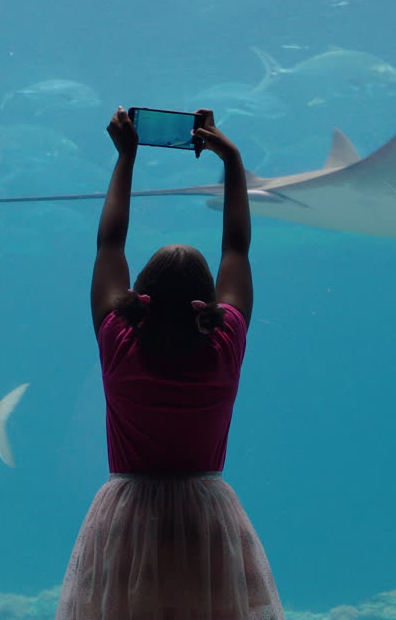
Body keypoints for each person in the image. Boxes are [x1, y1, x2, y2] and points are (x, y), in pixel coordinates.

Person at [56, 108, 283, 620]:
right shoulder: (225, 343)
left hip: (126, 520)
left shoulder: (118, 337)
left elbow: (108, 243)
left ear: (140, 297)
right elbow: (237, 248)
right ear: (209, 305)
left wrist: (126, 156)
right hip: (207, 522)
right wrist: (233, 160)